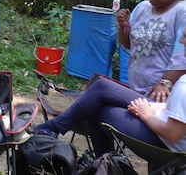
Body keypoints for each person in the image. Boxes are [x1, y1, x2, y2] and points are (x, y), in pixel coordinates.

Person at [32, 26, 186, 157]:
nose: (181, 41)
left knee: (99, 112)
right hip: (160, 117)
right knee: (102, 86)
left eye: (185, 36)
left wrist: (146, 115)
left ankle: (54, 130)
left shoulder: (184, 86)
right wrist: (152, 108)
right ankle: (54, 129)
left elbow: (173, 134)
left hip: (168, 144)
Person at [116, 0, 186, 98]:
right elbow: (129, 45)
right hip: (136, 88)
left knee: (100, 90)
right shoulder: (143, 7)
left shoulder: (181, 11)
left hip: (162, 92)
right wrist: (124, 26)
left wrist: (164, 83)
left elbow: (182, 56)